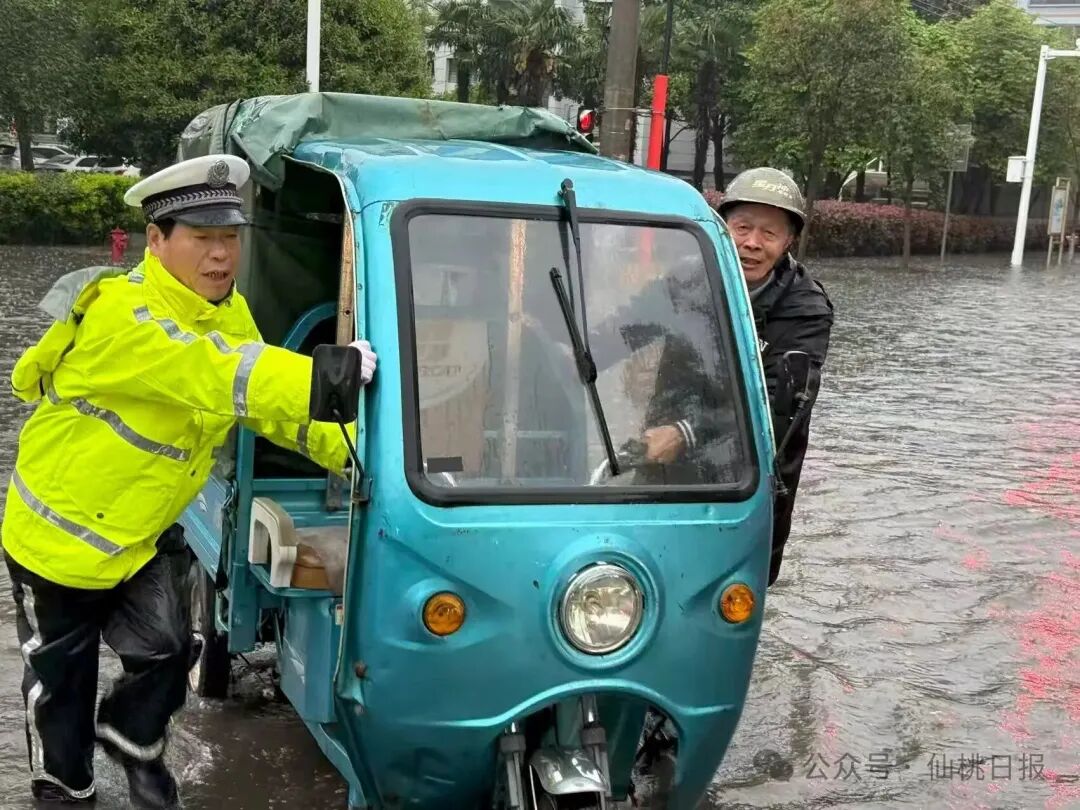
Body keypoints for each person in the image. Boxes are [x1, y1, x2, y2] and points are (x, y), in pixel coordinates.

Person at [1, 154, 377, 807]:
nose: (221, 254)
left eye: (230, 237)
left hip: (141, 533)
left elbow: (261, 403)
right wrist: (324, 376)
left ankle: (129, 742)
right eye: (202, 238)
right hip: (58, 544)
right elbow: (214, 372)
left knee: (172, 649)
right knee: (61, 688)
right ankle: (64, 788)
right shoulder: (123, 314)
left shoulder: (228, 313)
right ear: (156, 240)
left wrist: (354, 451)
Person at [717, 167, 834, 586]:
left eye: (768, 233)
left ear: (788, 242)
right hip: (665, 467)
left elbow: (774, 409)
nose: (751, 243)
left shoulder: (807, 310)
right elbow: (633, 327)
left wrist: (681, 432)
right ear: (721, 227)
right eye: (742, 227)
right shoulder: (690, 279)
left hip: (753, 485)